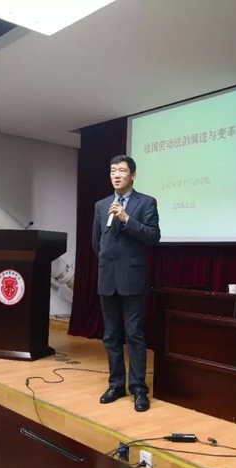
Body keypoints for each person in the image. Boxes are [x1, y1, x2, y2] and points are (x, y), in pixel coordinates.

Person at [92, 155, 161, 412]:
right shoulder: (101, 205)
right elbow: (96, 242)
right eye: (113, 171)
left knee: (134, 335)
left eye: (122, 170)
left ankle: (139, 390)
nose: (116, 175)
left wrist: (126, 219)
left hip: (132, 278)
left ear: (132, 175)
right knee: (110, 336)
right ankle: (116, 385)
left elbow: (153, 236)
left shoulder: (146, 202)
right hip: (107, 277)